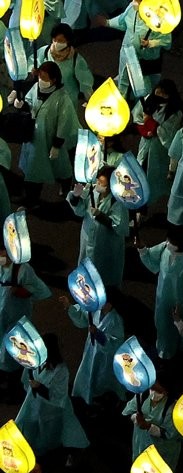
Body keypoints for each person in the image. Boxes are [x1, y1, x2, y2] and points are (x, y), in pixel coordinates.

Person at [12, 61, 79, 204]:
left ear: (54, 79)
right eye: (40, 76)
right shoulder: (36, 87)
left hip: (51, 140)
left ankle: (66, 185)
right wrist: (22, 105)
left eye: (44, 77)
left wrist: (57, 144)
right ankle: (31, 198)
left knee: (60, 167)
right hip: (34, 138)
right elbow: (30, 103)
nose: (41, 80)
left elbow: (64, 123)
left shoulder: (62, 99)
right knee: (33, 167)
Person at [15, 333, 89, 460]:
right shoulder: (37, 361)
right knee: (30, 424)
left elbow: (59, 395)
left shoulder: (61, 370)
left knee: (48, 433)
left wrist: (40, 388)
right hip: (35, 403)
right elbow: (27, 378)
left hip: (51, 409)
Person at [139, 227, 183, 359]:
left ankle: (175, 353)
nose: (168, 243)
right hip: (162, 298)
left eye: (171, 242)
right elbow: (149, 255)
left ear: (181, 244)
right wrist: (142, 248)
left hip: (179, 302)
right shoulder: (165, 248)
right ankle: (163, 350)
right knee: (161, 324)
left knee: (176, 327)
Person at [67, 168, 130, 289]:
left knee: (104, 273)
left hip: (106, 244)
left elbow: (120, 227)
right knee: (86, 269)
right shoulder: (92, 191)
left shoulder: (117, 201)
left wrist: (101, 216)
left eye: (103, 184)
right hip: (87, 237)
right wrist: (75, 197)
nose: (99, 185)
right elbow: (80, 210)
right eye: (98, 181)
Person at [61, 292, 125, 407]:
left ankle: (105, 399)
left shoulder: (115, 320)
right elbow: (82, 317)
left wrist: (99, 335)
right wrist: (70, 306)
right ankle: (92, 397)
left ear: (110, 304)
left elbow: (116, 342)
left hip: (105, 356)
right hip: (91, 350)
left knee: (102, 377)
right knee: (90, 372)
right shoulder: (95, 311)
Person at [0, 248, 51, 380]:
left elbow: (40, 290)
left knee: (15, 344)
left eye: (3, 254)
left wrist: (22, 291)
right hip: (2, 312)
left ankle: (13, 376)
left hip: (16, 313)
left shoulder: (23, 269)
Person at [100, 0, 171, 94]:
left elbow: (167, 41)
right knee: (123, 79)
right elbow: (122, 20)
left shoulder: (160, 18)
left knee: (146, 88)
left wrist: (150, 43)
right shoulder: (132, 7)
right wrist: (108, 23)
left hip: (146, 60)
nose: (134, 2)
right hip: (128, 52)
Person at [132, 81, 183, 203]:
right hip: (145, 143)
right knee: (140, 172)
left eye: (164, 94)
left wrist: (153, 125)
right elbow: (136, 116)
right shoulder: (148, 101)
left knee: (155, 176)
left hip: (159, 148)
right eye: (158, 92)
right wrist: (144, 125)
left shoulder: (175, 113)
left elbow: (169, 132)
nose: (159, 95)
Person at [123, 382, 181, 468]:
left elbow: (171, 433)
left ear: (166, 391)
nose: (153, 392)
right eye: (152, 388)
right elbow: (128, 411)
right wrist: (135, 418)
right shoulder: (143, 395)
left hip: (162, 450)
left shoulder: (173, 408)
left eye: (158, 391)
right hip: (140, 443)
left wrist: (148, 426)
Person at [35, 24, 93, 104]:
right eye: (54, 40)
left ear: (68, 41)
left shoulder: (76, 60)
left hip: (68, 99)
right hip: (47, 96)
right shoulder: (45, 52)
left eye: (60, 41)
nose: (56, 43)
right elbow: (33, 63)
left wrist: (90, 100)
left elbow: (85, 82)